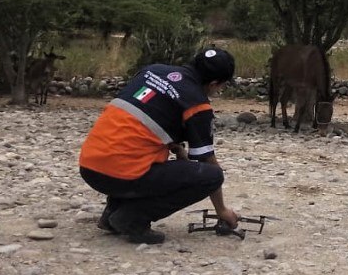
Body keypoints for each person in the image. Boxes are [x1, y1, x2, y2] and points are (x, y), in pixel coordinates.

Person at [78, 47, 240, 244]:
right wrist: (222, 210)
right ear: (215, 83)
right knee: (211, 177)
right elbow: (207, 162)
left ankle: (112, 213)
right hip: (119, 175)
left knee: (135, 154)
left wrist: (179, 151)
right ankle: (132, 218)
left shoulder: (152, 71)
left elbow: (145, 116)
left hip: (90, 166)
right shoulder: (198, 104)